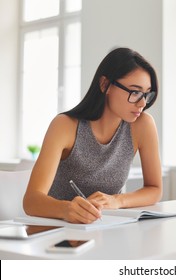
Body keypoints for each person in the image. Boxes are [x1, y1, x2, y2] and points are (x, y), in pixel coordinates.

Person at [23, 47, 162, 224]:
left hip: (107, 228)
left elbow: (155, 189)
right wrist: (67, 209)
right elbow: (31, 201)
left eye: (146, 94)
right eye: (134, 92)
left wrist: (117, 200)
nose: (142, 103)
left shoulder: (143, 125)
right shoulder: (64, 125)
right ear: (105, 84)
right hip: (58, 230)